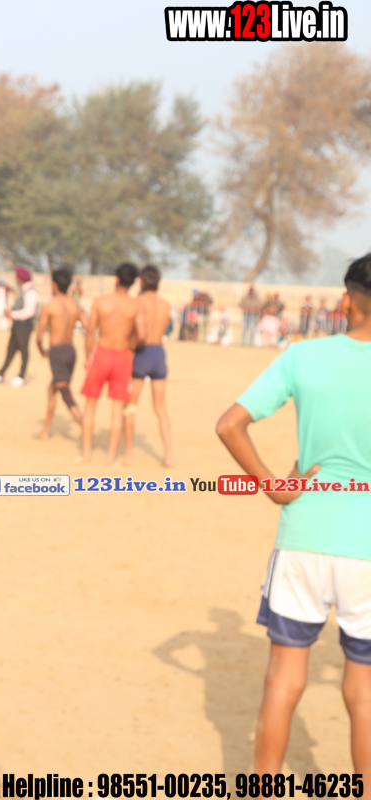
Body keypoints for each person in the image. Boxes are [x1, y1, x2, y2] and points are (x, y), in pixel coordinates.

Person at [215, 254, 371, 777]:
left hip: (304, 535)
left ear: (346, 300)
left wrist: (274, 487)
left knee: (283, 680)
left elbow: (229, 425)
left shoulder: (303, 356)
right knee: (365, 692)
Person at [80, 263, 144, 464]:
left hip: (101, 353)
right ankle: (110, 457)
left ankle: (86, 454)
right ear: (132, 283)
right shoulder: (135, 306)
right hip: (123, 356)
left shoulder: (101, 302)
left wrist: (87, 356)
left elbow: (90, 331)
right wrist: (132, 347)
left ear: (116, 279)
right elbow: (142, 334)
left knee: (90, 406)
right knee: (117, 410)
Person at [124, 265, 173, 466]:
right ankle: (168, 455)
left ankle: (128, 454)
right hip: (159, 353)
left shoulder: (137, 302)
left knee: (131, 405)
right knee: (160, 408)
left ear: (142, 282)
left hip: (141, 354)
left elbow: (136, 332)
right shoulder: (165, 305)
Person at [34, 267, 84, 439]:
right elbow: (89, 326)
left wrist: (41, 350)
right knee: (52, 389)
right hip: (71, 351)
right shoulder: (75, 306)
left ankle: (85, 425)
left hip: (57, 352)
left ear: (54, 285)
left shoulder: (50, 306)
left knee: (65, 393)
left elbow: (39, 336)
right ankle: (45, 431)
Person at [0, 266, 39, 386]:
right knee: (11, 350)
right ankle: (0, 374)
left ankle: (21, 376)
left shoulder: (31, 292)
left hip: (24, 326)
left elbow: (29, 312)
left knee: (23, 351)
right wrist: (12, 310)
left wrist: (12, 314)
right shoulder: (24, 290)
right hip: (17, 325)